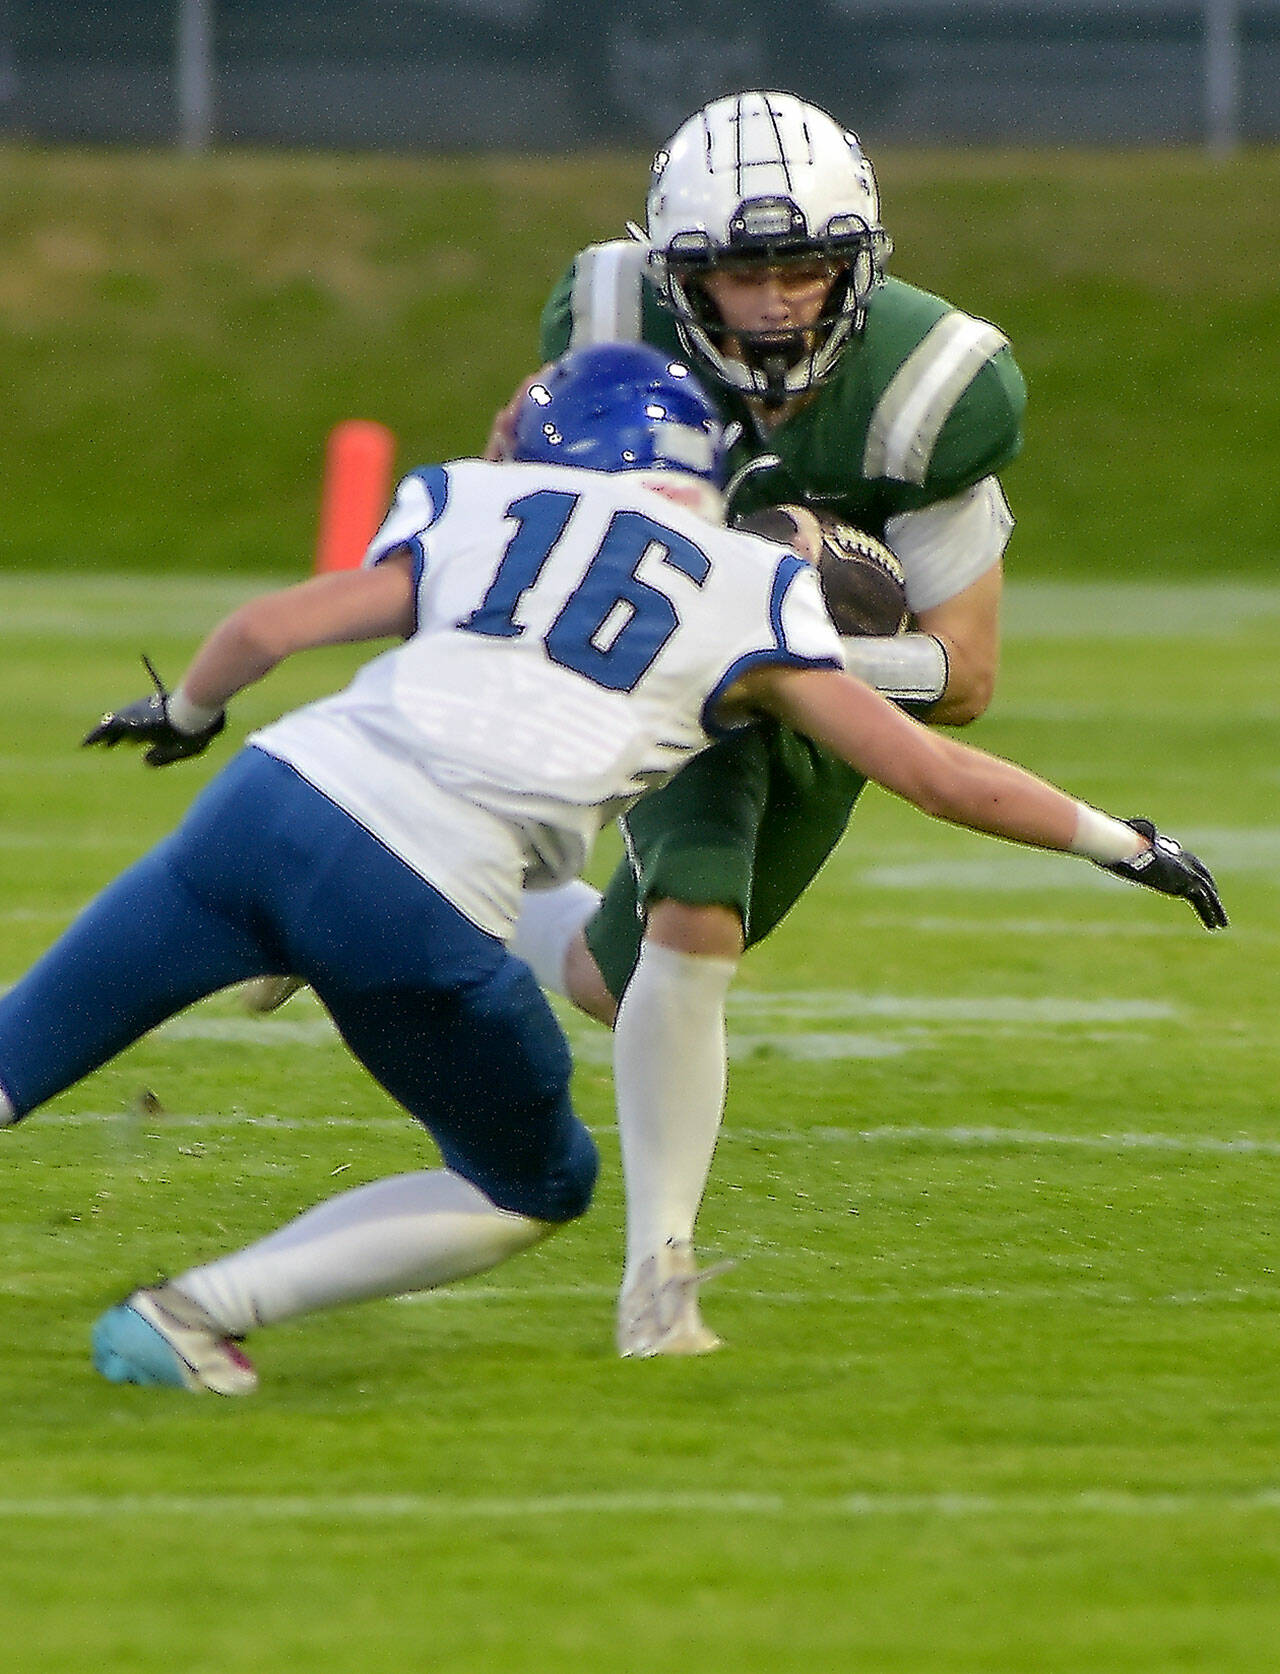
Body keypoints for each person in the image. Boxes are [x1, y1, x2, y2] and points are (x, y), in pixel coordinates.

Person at [6, 346, 1221, 1399]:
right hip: (417, 892)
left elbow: (271, 627)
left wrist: (187, 709)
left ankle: (271, 970)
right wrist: (1124, 842)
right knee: (530, 1183)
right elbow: (933, 773)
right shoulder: (748, 588)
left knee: (22, 1049)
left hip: (265, 801)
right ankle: (189, 1317)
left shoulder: (474, 502)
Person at [489, 90, 1032, 1356]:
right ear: (682, 275)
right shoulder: (609, 318)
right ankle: (656, 1275)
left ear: (857, 265)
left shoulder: (929, 387)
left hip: (822, 691)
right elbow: (525, 507)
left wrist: (782, 636)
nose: (778, 298)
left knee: (610, 976)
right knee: (694, 917)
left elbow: (961, 678)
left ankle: (425, 902)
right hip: (659, 669)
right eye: (741, 271)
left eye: (803, 266)